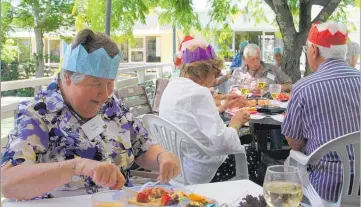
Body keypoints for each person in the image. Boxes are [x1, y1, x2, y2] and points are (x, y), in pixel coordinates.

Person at [1, 29, 180, 200]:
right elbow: (8, 183)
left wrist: (162, 157)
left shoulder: (112, 106)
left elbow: (142, 146)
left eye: (110, 83)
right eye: (95, 84)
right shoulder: (38, 114)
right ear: (68, 77)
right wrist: (78, 166)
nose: (105, 94)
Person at [282, 21, 360, 203]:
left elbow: (293, 143)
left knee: (288, 164)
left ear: (314, 51)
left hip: (325, 188)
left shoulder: (303, 88)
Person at [159, 38, 250, 184]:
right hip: (201, 172)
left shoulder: (173, 86)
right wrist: (236, 123)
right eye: (216, 72)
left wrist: (222, 107)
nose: (215, 79)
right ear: (204, 71)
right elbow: (222, 143)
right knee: (257, 155)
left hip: (178, 168)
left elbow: (191, 119)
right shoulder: (200, 92)